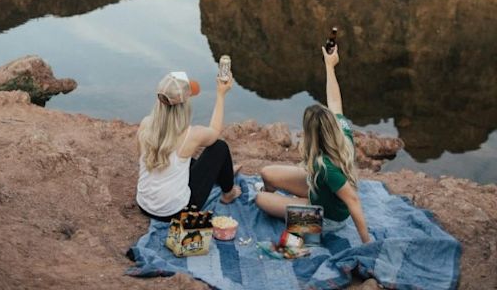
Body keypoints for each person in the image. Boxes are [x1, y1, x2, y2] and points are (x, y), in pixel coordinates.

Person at [255, 46, 371, 243]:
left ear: (312, 136)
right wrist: (329, 66)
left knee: (260, 200)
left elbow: (353, 200)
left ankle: (305, 216)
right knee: (267, 173)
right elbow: (335, 101)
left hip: (327, 217)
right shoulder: (342, 132)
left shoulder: (324, 165)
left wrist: (366, 241)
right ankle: (296, 203)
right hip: (318, 190)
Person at [136, 71, 241, 222]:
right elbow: (215, 132)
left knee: (177, 160)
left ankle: (222, 175)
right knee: (219, 147)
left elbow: (141, 157)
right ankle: (228, 194)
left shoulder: (145, 124)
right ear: (185, 104)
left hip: (144, 204)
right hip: (175, 212)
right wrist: (220, 94)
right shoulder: (190, 135)